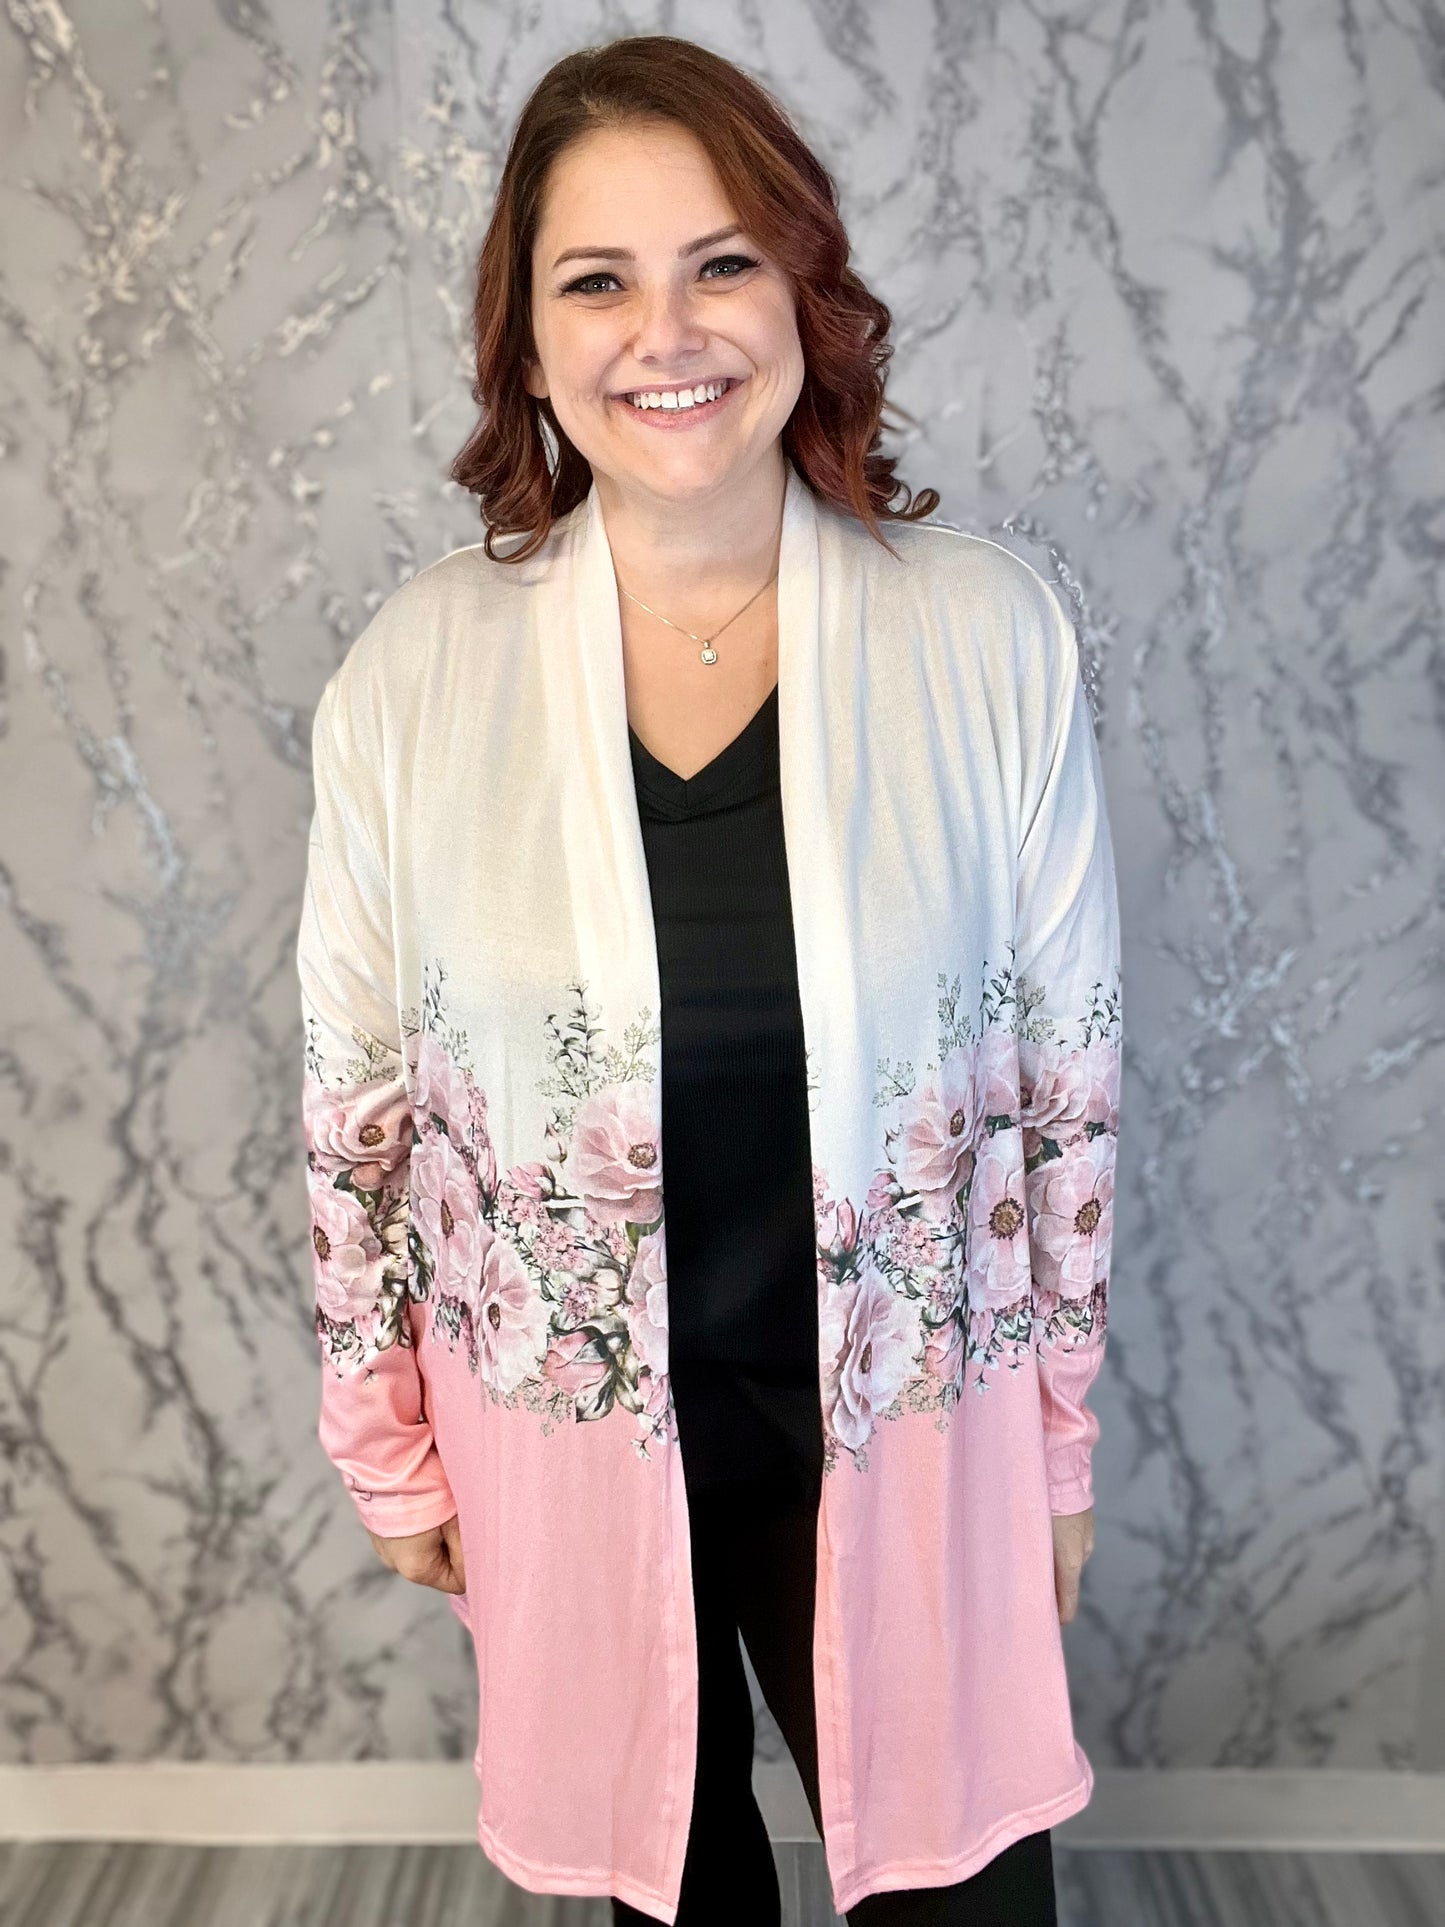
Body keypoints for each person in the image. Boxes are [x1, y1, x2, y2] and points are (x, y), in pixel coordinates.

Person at [297, 33, 1121, 1927]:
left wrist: (1054, 1442)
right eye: (596, 278)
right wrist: (384, 1435)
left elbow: (1062, 1084)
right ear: (524, 335)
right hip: (574, 1438)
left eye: (720, 261)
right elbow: (356, 1102)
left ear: (802, 294)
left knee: (968, 1895)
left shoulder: (982, 636)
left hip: (907, 1424)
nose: (664, 330)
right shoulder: (416, 679)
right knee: (671, 1897)